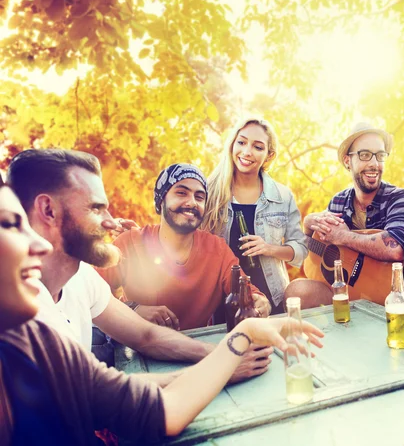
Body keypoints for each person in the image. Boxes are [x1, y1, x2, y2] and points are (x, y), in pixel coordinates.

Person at [0, 181, 324, 444]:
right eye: (10, 225)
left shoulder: (39, 334)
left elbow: (147, 369)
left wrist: (236, 337)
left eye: (199, 195)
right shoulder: (126, 247)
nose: (112, 220)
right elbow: (156, 403)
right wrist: (224, 357)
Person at [7, 150, 271, 382]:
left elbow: (147, 336)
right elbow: (104, 391)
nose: (111, 221)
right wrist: (219, 367)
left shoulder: (81, 279)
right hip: (141, 366)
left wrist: (222, 355)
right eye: (96, 208)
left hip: (185, 349)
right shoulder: (22, 311)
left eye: (200, 196)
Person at [99, 162, 272, 328]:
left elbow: (248, 292)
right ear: (161, 200)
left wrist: (260, 301)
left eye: (199, 196)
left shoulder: (217, 249)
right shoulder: (129, 243)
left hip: (196, 346)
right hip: (136, 346)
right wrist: (134, 309)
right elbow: (89, 293)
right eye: (181, 193)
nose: (191, 202)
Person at [303, 122, 404, 311]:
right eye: (365, 155)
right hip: (349, 295)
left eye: (380, 155)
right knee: (296, 292)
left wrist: (343, 236)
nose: (374, 164)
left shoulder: (401, 197)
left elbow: (397, 248)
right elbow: (322, 250)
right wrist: (308, 226)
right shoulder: (338, 202)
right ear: (347, 161)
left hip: (398, 298)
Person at [202, 117, 308, 315]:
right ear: (232, 144)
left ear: (269, 156)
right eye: (241, 142)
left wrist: (269, 248)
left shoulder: (282, 196)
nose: (247, 152)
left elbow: (301, 250)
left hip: (271, 299)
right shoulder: (208, 192)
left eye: (258, 147)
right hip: (221, 301)